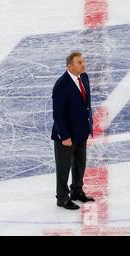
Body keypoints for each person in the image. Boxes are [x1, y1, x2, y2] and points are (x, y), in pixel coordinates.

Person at [51, 51, 95, 210]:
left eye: (83, 61)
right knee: (63, 168)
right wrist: (65, 136)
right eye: (79, 62)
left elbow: (86, 104)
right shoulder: (61, 85)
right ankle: (62, 197)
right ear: (70, 66)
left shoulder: (84, 77)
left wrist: (88, 125)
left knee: (79, 164)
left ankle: (76, 191)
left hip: (81, 131)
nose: (83, 64)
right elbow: (58, 114)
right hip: (66, 135)